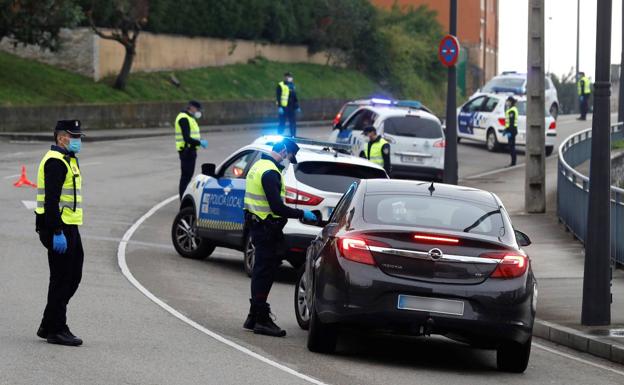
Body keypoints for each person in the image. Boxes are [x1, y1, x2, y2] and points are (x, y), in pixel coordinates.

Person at [243, 138, 317, 337]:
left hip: (259, 226)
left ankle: (253, 315)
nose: (288, 161)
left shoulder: (259, 165)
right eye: (289, 156)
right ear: (283, 150)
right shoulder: (270, 173)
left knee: (262, 270)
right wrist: (302, 214)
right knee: (264, 272)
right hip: (267, 228)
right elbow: (277, 207)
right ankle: (261, 318)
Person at [34, 120, 86, 346]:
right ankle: (57, 329)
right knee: (62, 279)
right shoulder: (55, 162)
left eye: (78, 136)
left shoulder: (68, 159)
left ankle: (48, 322)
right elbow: (51, 200)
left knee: (72, 275)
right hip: (58, 227)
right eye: (73, 136)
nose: (77, 140)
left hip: (69, 225)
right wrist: (56, 231)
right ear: (60, 137)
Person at [175, 101, 209, 199]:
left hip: (190, 150)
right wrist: (200, 143)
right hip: (186, 151)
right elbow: (186, 138)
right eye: (197, 109)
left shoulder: (190, 118)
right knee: (186, 177)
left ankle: (184, 198)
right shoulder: (184, 118)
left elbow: (192, 136)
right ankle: (183, 199)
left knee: (188, 176)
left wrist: (199, 140)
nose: (198, 111)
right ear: (191, 108)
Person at [276, 72, 300, 137]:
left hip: (291, 108)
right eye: (287, 76)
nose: (288, 78)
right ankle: (279, 135)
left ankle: (293, 136)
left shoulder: (292, 85)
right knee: (282, 123)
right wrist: (279, 107)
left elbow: (294, 96)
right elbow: (278, 97)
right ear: (284, 77)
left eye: (290, 77)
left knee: (293, 123)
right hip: (284, 108)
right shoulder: (280, 85)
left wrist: (297, 106)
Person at [503, 96, 519, 167]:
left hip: (512, 130)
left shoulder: (512, 110)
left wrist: (509, 131)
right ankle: (513, 162)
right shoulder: (511, 109)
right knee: (511, 146)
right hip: (511, 130)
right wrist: (506, 129)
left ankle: (513, 162)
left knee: (512, 147)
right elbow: (508, 122)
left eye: (508, 101)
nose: (507, 103)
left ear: (511, 102)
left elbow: (511, 123)